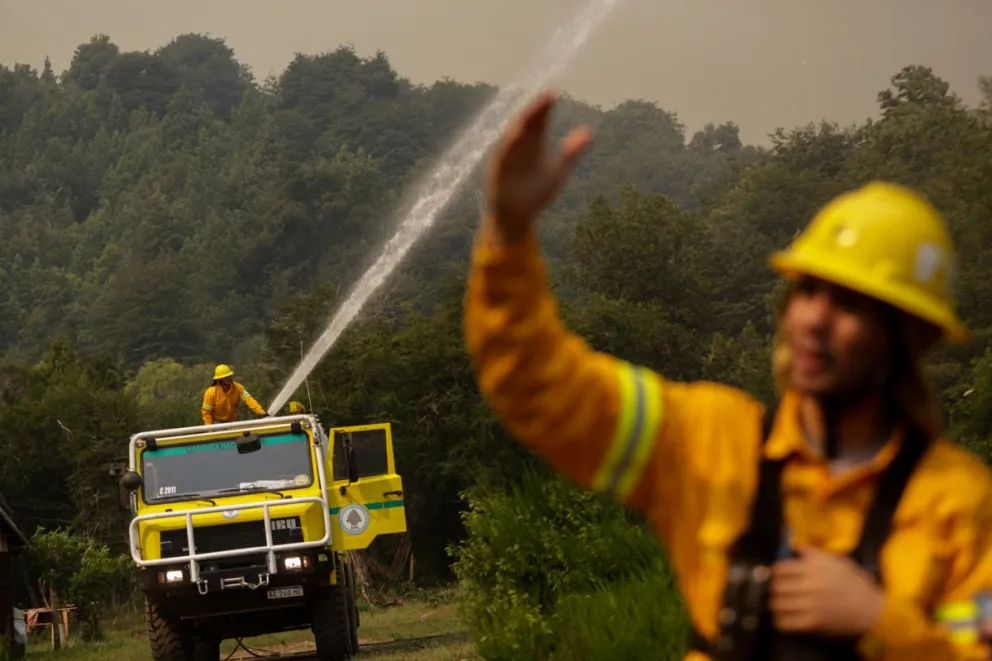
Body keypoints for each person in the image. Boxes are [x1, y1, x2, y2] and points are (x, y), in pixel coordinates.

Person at [463, 91, 992, 661]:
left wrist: (879, 622)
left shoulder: (959, 504)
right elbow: (540, 389)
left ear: (908, 335)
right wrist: (507, 234)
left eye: (850, 304)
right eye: (807, 291)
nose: (814, 319)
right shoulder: (709, 438)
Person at [201, 364, 267, 425]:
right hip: (217, 423)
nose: (229, 379)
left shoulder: (238, 387)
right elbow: (206, 412)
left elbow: (249, 400)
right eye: (225, 377)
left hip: (232, 422)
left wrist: (261, 412)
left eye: (229, 376)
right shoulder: (210, 392)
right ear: (219, 380)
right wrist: (209, 428)